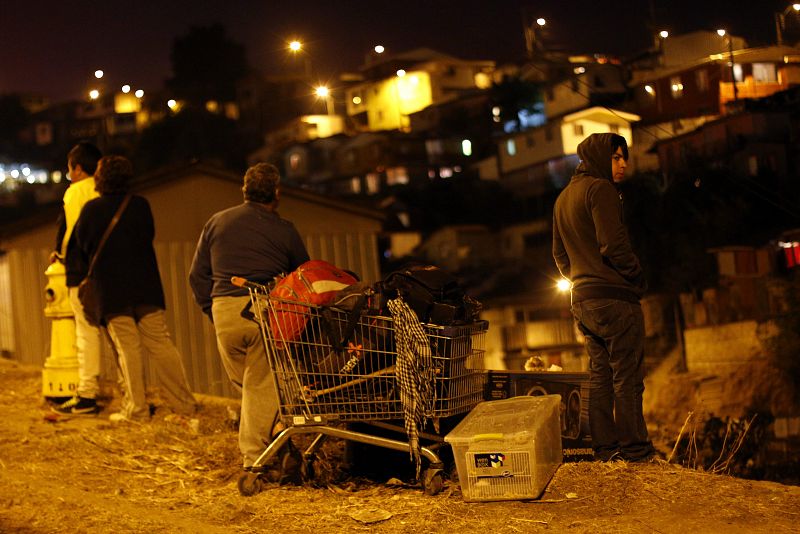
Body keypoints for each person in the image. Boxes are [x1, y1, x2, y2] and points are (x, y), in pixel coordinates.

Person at [189, 162, 309, 477]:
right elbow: (305, 276)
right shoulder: (284, 229)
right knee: (262, 388)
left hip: (224, 311)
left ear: (245, 191)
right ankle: (256, 459)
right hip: (261, 312)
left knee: (251, 389)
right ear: (277, 193)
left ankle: (281, 450)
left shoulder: (216, 222)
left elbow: (196, 275)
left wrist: (213, 309)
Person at [552, 132, 655, 462]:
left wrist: (580, 280)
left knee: (600, 376)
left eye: (625, 156)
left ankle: (606, 450)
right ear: (598, 158)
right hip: (614, 297)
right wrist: (636, 276)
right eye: (616, 157)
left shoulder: (563, 198)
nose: (623, 163)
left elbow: (559, 255)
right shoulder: (601, 189)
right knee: (627, 376)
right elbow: (613, 245)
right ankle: (636, 452)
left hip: (582, 301)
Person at [73, 155, 197, 422]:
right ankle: (184, 404)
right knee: (161, 344)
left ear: (100, 179)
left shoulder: (91, 210)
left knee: (128, 348)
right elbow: (148, 235)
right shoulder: (140, 205)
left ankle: (137, 409)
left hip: (112, 288)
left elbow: (82, 246)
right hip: (145, 284)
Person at [51, 142, 104, 416]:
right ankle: (128, 391)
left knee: (86, 332)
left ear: (78, 168)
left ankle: (86, 394)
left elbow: (72, 230)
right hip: (106, 268)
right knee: (116, 334)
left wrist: (60, 254)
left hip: (80, 270)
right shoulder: (104, 188)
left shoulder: (76, 191)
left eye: (70, 168)